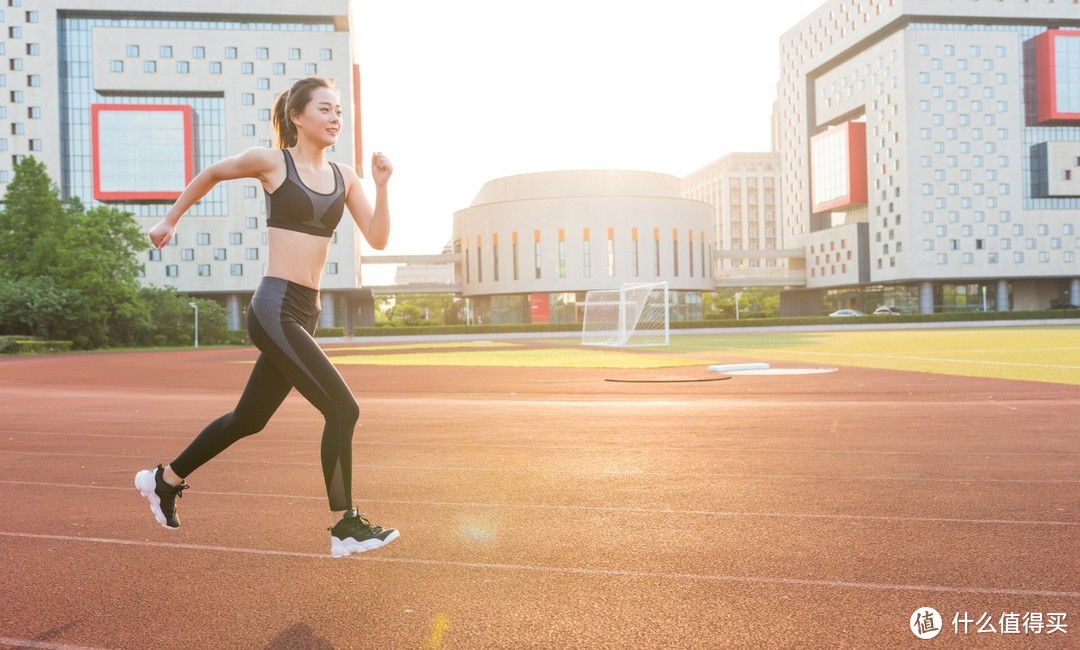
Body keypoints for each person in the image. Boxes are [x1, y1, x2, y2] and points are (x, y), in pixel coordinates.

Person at [134, 76, 398, 557]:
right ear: (297, 117)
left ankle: (164, 479)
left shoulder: (347, 176)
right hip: (275, 306)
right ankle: (345, 525)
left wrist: (381, 188)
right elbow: (213, 172)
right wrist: (170, 218)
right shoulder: (273, 161)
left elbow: (377, 238)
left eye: (339, 110)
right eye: (324, 109)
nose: (335, 117)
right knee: (344, 409)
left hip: (307, 309)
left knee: (248, 418)